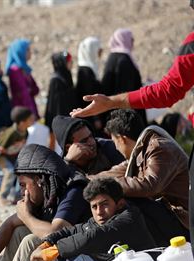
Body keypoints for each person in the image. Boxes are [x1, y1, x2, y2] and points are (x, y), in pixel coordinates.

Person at [70, 26, 194, 249]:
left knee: (135, 206)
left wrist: (110, 103)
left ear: (123, 138)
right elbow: (124, 169)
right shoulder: (142, 149)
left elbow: (167, 91)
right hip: (123, 114)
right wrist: (91, 179)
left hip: (182, 221)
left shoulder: (157, 146)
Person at [0, 144, 90, 261]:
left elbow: (57, 232)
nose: (22, 192)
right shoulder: (48, 191)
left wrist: (27, 216)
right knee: (19, 231)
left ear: (39, 180)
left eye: (23, 185)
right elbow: (10, 223)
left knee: (33, 241)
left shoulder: (73, 190)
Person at [30, 178, 156, 261]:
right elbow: (69, 232)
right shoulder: (94, 222)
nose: (99, 212)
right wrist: (45, 244)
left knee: (75, 253)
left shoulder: (129, 217)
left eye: (104, 204)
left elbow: (96, 236)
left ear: (120, 204)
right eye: (94, 207)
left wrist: (55, 250)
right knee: (64, 254)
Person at [94, 109, 190, 246]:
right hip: (172, 219)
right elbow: (111, 174)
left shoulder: (159, 148)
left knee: (133, 203)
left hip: (184, 220)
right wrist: (85, 180)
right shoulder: (140, 152)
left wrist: (109, 185)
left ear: (122, 139)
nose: (116, 148)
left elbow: (149, 185)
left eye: (115, 142)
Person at [0, 107, 35, 206]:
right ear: (22, 122)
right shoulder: (10, 134)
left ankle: (18, 196)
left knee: (22, 171)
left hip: (12, 156)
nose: (32, 120)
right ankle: (2, 197)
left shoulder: (26, 132)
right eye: (30, 119)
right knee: (10, 171)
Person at [51, 115, 124, 175]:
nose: (92, 142)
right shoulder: (61, 167)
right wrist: (68, 162)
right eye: (84, 141)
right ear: (68, 148)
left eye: (91, 136)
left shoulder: (110, 148)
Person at [101, 29, 145, 125]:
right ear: (124, 40)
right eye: (131, 39)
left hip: (112, 110)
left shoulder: (112, 57)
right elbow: (126, 90)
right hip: (125, 111)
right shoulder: (124, 60)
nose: (133, 42)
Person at [75, 37, 104, 134]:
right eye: (98, 50)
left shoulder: (90, 67)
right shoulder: (85, 71)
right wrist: (96, 118)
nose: (100, 54)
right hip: (91, 116)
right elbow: (88, 96)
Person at [5, 38, 39, 119]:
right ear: (20, 52)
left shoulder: (24, 68)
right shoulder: (15, 70)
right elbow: (24, 94)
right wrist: (32, 114)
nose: (30, 52)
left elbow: (34, 89)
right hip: (24, 114)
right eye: (27, 50)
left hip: (29, 108)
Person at [44, 51, 77, 129]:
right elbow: (57, 106)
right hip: (62, 121)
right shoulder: (56, 80)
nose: (71, 63)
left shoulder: (66, 75)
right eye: (68, 61)